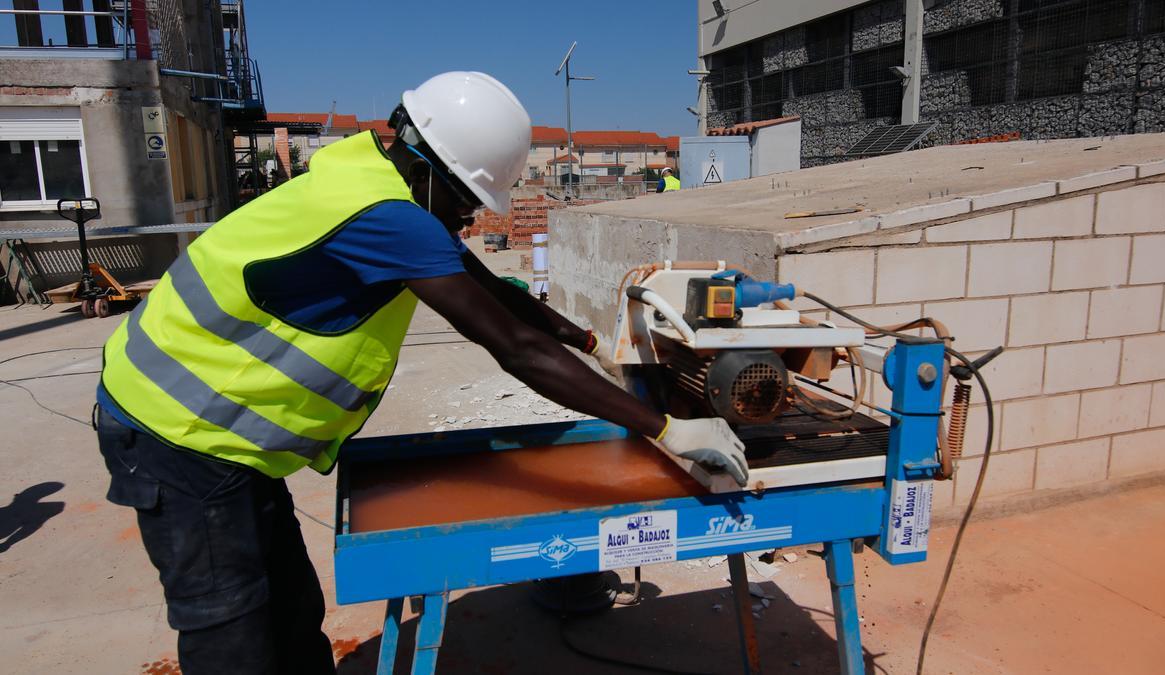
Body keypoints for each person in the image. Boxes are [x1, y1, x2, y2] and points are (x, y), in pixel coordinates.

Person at [93, 71, 747, 675]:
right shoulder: (388, 220)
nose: (469, 219)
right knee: (230, 627)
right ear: (434, 173)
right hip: (175, 433)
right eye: (467, 202)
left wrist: (591, 341)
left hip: (223, 437)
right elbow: (513, 346)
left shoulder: (370, 178)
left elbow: (493, 291)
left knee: (290, 611)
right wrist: (664, 426)